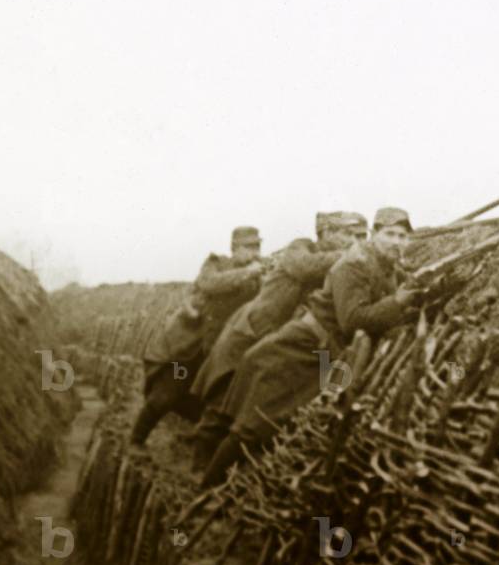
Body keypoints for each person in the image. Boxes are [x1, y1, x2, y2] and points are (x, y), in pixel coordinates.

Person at [201, 207, 418, 487]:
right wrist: (398, 303)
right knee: (253, 426)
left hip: (326, 355)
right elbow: (352, 320)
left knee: (285, 427)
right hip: (298, 348)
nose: (397, 242)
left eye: (403, 236)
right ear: (375, 235)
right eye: (390, 234)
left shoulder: (387, 268)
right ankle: (205, 491)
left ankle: (234, 489)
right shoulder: (353, 264)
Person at [189, 212, 358, 468]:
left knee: (256, 394)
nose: (351, 240)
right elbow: (305, 266)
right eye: (346, 234)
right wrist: (349, 256)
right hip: (250, 330)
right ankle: (201, 458)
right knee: (225, 390)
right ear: (325, 233)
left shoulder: (338, 267)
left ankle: (227, 457)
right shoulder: (300, 248)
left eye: (355, 236)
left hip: (280, 337)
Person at [131, 226, 265, 444]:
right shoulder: (216, 264)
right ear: (234, 248)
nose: (255, 252)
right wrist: (250, 271)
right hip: (185, 349)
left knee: (207, 400)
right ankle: (136, 440)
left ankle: (193, 439)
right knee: (168, 392)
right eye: (249, 247)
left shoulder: (256, 277)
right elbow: (211, 283)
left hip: (214, 352)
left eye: (257, 246)